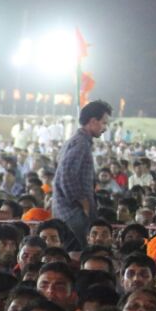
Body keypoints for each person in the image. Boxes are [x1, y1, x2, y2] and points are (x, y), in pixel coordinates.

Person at [53, 100, 113, 248]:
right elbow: (66, 174)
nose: (105, 128)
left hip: (69, 211)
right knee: (82, 254)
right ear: (93, 121)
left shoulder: (75, 141)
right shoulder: (80, 143)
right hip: (73, 212)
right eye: (104, 123)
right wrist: (82, 200)